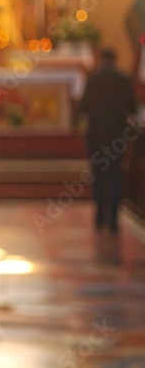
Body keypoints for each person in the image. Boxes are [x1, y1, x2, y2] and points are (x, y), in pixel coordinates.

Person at [78, 48, 138, 234]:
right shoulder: (124, 79)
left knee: (98, 172)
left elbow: (84, 106)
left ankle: (99, 214)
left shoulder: (93, 79)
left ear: (101, 59)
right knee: (116, 174)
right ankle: (113, 217)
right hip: (117, 135)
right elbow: (133, 108)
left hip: (96, 134)